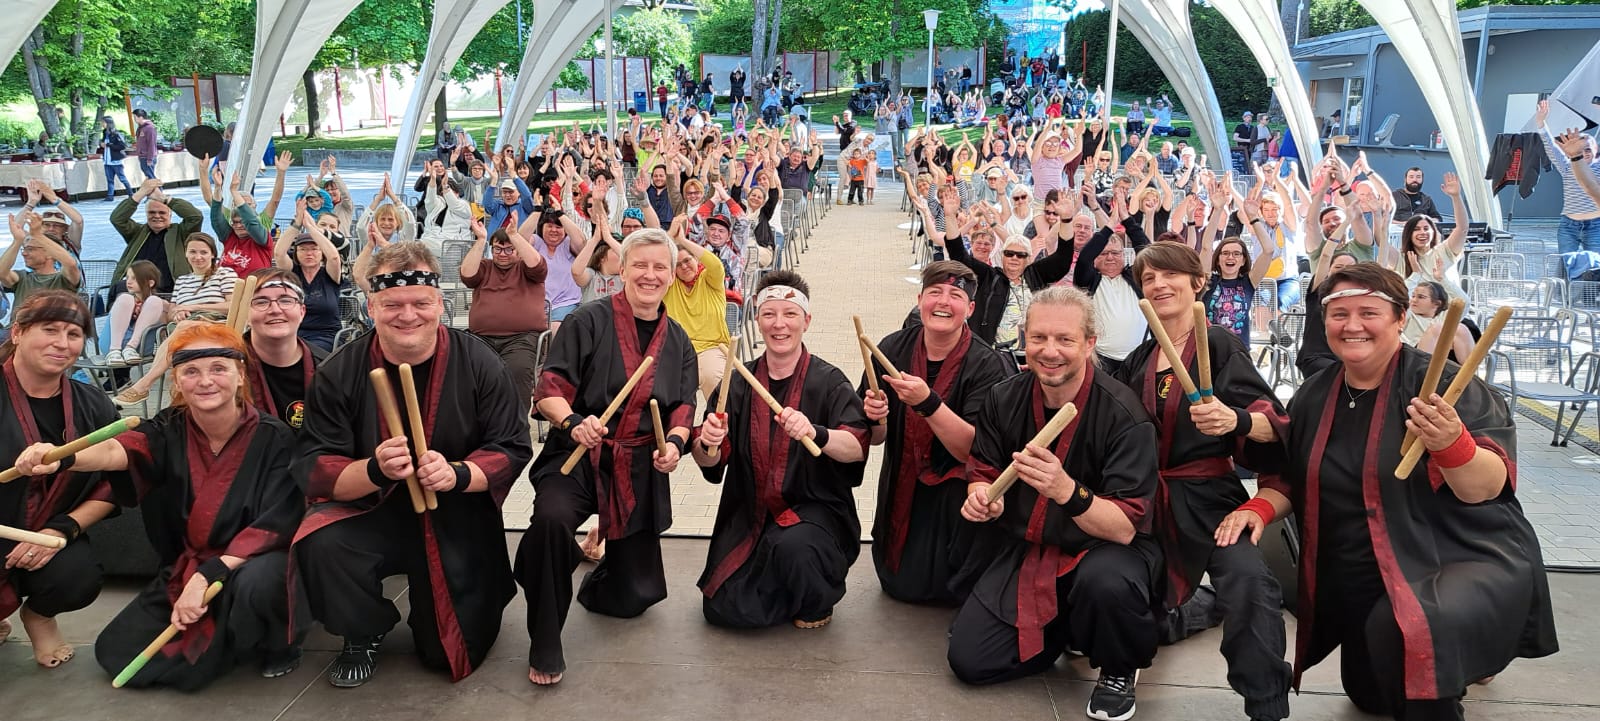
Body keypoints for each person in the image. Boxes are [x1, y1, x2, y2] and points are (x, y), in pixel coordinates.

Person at [1250, 262, 1557, 721]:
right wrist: (1256, 509)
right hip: (1370, 566)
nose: (1352, 325)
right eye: (1339, 314)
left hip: (1458, 554)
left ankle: (1459, 648)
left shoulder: (1445, 387)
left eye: (1368, 313)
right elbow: (1293, 476)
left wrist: (1452, 444)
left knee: (1403, 632)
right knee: (1372, 694)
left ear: (1399, 319)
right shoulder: (1315, 393)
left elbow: (1487, 487)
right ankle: (1457, 658)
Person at [292, 241, 533, 688]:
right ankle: (363, 627)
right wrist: (374, 469)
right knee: (321, 540)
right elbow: (316, 464)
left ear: (440, 304)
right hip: (371, 509)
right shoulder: (339, 371)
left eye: (420, 303)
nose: (407, 315)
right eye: (392, 305)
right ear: (371, 307)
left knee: (446, 652)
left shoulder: (480, 362)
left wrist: (457, 473)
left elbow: (511, 447)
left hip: (454, 510)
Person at [17, 324, 302, 689]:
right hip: (188, 565)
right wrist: (62, 457)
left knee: (260, 581)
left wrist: (207, 576)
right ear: (177, 381)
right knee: (115, 651)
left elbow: (277, 523)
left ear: (241, 375)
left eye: (218, 369)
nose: (205, 381)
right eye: (191, 371)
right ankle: (230, 635)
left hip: (249, 564)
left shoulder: (275, 437)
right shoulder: (169, 427)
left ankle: (278, 642)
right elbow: (117, 450)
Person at [945, 286, 1161, 721]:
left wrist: (1067, 490)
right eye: (1039, 338)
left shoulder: (1125, 415)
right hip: (1032, 549)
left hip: (1104, 552)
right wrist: (983, 498)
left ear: (1089, 343)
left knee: (1106, 583)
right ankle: (1073, 628)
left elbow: (1124, 527)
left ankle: (1120, 664)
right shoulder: (1004, 397)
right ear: (1024, 339)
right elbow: (983, 469)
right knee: (971, 661)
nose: (1049, 351)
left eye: (1065, 339)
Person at [1118, 242, 1292, 721]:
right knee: (1125, 598)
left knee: (1249, 581)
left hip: (1210, 496)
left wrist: (1235, 419)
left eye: (1169, 274)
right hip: (1150, 499)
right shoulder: (1139, 359)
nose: (1158, 284)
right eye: (1148, 278)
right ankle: (1195, 610)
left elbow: (1273, 420)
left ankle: (1266, 702)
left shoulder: (1218, 344)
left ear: (1198, 282)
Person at [522, 229, 699, 685]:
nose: (650, 275)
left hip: (636, 463)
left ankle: (596, 574)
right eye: (640, 264)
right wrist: (572, 422)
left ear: (672, 276)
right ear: (622, 268)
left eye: (660, 267)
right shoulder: (587, 320)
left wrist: (674, 446)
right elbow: (549, 389)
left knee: (633, 598)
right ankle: (545, 639)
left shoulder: (678, 339)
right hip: (577, 453)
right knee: (550, 522)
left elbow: (683, 408)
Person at [693, 271, 869, 628]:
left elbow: (856, 447)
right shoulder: (736, 382)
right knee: (722, 610)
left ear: (806, 321)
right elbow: (708, 460)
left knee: (794, 548)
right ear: (757, 320)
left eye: (790, 314)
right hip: (749, 516)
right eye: (769, 314)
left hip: (816, 514)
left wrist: (816, 432)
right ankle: (783, 590)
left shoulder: (829, 381)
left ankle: (816, 599)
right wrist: (708, 440)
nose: (779, 324)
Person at [861, 261, 1015, 604]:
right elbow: (875, 437)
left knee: (951, 589)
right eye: (934, 292)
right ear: (919, 301)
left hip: (955, 501)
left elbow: (975, 450)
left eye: (955, 296)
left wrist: (929, 404)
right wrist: (875, 418)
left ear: (970, 309)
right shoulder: (892, 348)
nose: (943, 302)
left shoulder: (988, 365)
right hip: (899, 488)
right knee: (900, 586)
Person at [0, 292, 119, 669]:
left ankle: (39, 615)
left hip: (47, 533)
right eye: (49, 329)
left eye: (73, 334)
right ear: (17, 332)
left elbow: (116, 484)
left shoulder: (93, 403)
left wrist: (62, 530)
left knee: (76, 577)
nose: (62, 343)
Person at [112, 233, 239, 405]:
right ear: (186, 254)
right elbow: (172, 312)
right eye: (193, 252)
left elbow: (232, 305)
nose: (198, 257)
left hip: (216, 326)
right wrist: (177, 314)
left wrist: (194, 307)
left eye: (203, 252)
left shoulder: (224, 274)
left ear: (212, 254)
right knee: (180, 326)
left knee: (183, 327)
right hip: (185, 329)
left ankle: (144, 385)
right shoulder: (182, 281)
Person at [462, 216, 549, 414]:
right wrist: (481, 240)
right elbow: (467, 275)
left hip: (522, 338)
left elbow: (538, 265)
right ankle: (478, 420)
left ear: (518, 250)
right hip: (481, 338)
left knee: (517, 370)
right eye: (498, 249)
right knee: (471, 372)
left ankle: (516, 423)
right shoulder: (485, 267)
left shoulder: (527, 268)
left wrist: (514, 235)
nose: (503, 254)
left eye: (509, 249)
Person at [240, 268, 326, 429]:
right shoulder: (230, 368)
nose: (275, 310)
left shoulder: (329, 369)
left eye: (285, 300)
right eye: (261, 302)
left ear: (302, 311)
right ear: (246, 314)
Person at [663, 220, 732, 400]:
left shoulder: (710, 279)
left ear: (696, 259)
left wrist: (683, 241)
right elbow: (654, 263)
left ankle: (720, 418)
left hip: (711, 348)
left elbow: (715, 265)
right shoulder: (669, 285)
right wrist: (669, 238)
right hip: (676, 352)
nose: (684, 266)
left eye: (687, 260)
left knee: (714, 380)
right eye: (678, 264)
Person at [111, 178, 205, 294]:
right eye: (152, 212)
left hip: (171, 292)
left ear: (170, 215)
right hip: (136, 290)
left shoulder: (182, 233)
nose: (157, 216)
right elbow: (117, 219)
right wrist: (141, 193)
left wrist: (164, 199)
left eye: (162, 213)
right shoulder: (137, 232)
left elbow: (195, 217)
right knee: (120, 289)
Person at [274, 206, 344, 351]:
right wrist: (297, 224)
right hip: (294, 334)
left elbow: (334, 257)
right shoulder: (292, 273)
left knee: (303, 351)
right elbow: (279, 254)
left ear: (321, 253)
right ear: (296, 253)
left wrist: (312, 228)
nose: (309, 253)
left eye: (314, 249)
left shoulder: (329, 274)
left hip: (327, 336)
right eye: (303, 249)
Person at [1399, 173, 1469, 302]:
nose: (1422, 233)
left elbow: (1462, 228)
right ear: (1408, 234)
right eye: (1416, 229)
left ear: (1434, 231)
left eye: (1426, 228)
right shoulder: (1402, 258)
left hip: (1448, 312)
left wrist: (1456, 197)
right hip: (1416, 313)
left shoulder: (1444, 251)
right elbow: (1381, 241)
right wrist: (1379, 214)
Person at [2, 212, 82, 318]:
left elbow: (71, 264)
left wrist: (38, 235)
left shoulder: (63, 279)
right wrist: (17, 241)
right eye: (24, 249)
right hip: (19, 327)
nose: (24, 253)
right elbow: (2, 272)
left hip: (51, 326)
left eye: (30, 249)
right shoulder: (22, 277)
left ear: (50, 254)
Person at [104, 260, 167, 367]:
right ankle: (114, 350)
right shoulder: (124, 301)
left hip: (140, 347)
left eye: (134, 278)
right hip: (111, 343)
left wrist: (150, 313)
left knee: (155, 301)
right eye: (127, 277)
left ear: (150, 283)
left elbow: (165, 328)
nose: (128, 282)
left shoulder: (160, 303)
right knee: (125, 298)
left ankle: (130, 347)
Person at [1403, 280, 1474, 363]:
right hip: (1411, 357)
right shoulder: (1409, 314)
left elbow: (1464, 303)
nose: (1414, 300)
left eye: (1421, 297)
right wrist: (1416, 274)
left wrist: (1442, 279)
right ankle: (1421, 370)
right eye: (1413, 296)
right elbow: (1402, 294)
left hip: (1436, 359)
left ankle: (1469, 369)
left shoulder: (1443, 317)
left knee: (1461, 328)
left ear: (1437, 303)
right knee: (1437, 328)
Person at [99, 116, 134, 201]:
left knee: (122, 178)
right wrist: (101, 144)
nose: (102, 124)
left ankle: (131, 193)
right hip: (107, 160)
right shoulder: (105, 133)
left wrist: (110, 145)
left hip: (115, 161)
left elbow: (122, 146)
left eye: (103, 122)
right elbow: (103, 142)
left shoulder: (116, 134)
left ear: (108, 123)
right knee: (109, 179)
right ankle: (110, 195)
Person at [132, 108, 159, 180]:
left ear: (141, 117)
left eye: (135, 117)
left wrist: (150, 159)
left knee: (151, 177)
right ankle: (155, 187)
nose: (134, 119)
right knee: (149, 177)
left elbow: (151, 144)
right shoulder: (140, 128)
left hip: (147, 156)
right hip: (142, 156)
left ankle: (158, 187)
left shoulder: (149, 128)